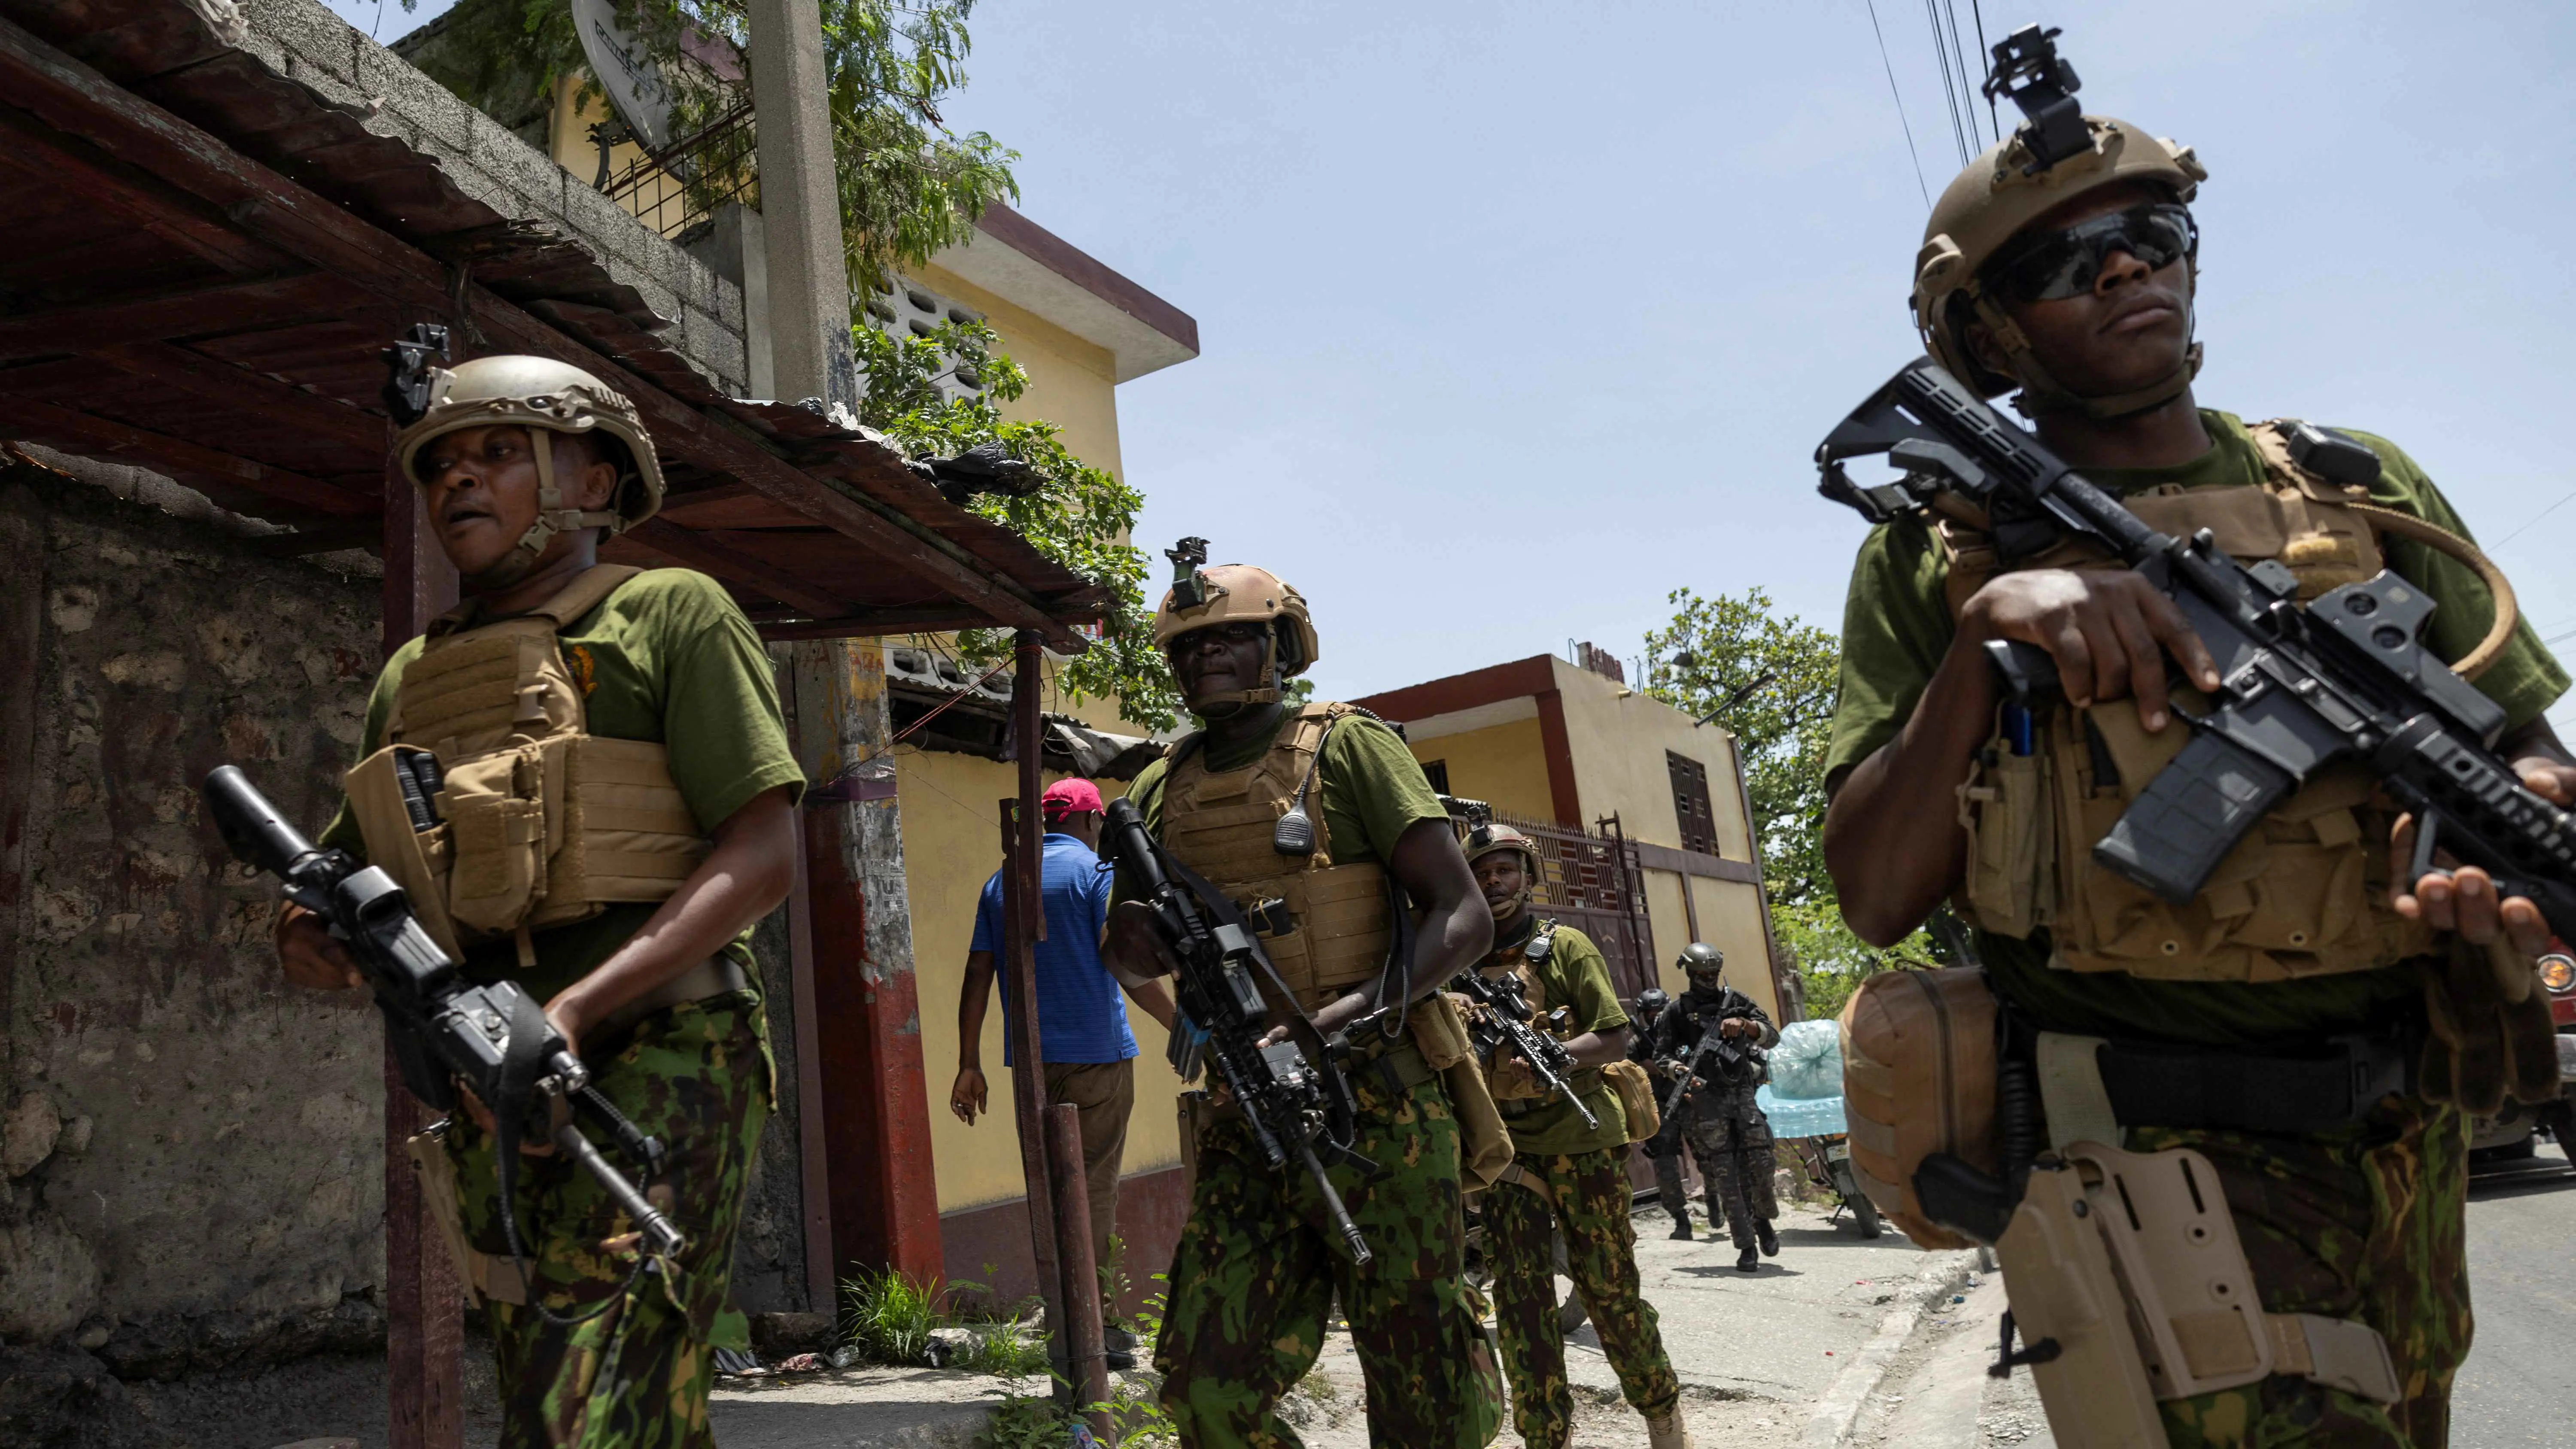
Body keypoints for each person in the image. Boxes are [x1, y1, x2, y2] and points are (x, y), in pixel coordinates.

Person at [1822, 70, 2573, 1446]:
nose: (2122, 270)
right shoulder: (1940, 553)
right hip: (2149, 1167)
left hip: (2404, 1145)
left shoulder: (2356, 485)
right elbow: (1872, 890)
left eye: (2150, 238)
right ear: (1984, 329)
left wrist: (2505, 838)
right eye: (2062, 259)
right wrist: (1986, 638)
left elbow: (2523, 749)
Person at [275, 355, 806, 1447]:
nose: (458, 483)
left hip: (662, 1056)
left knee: (587, 1409)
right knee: (568, 1395)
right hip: (495, 1082)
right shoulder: (413, 676)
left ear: (597, 484)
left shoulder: (670, 613)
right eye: (443, 467)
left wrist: (575, 1008)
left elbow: (762, 854)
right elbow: (352, 867)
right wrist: (308, 934)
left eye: (500, 453)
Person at [1101, 549, 1504, 1449]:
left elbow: (1463, 914)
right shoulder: (1163, 785)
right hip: (1249, 1113)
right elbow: (1125, 941)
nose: (1206, 658)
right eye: (1190, 647)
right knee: (1204, 1387)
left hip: (1384, 1102)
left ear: (1280, 645)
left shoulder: (1350, 746)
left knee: (1423, 1391)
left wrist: (1351, 1014)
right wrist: (1131, 935)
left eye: (1232, 639)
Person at [1464, 824, 1691, 1449]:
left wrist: (1555, 1055)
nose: (1494, 881)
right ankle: (1545, 1437)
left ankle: (1662, 1415)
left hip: (1582, 1144)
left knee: (1610, 1289)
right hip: (1508, 1157)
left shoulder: (1565, 946)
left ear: (1527, 876)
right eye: (1482, 872)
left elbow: (1614, 1035)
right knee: (1520, 1308)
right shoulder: (1457, 966)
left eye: (1505, 869)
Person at [950, 776, 1176, 1368]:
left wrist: (968, 1062)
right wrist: (1179, 1025)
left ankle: (1064, 1313)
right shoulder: (1097, 878)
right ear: (1092, 820)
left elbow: (978, 973)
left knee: (1050, 1186)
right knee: (1093, 1187)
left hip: (1030, 1065)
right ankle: (1093, 1322)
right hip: (1098, 1057)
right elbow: (1125, 963)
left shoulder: (1002, 883)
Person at [1649, 945, 1779, 1274]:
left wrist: (1746, 1026)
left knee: (1762, 1162)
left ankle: (1762, 1219)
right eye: (1701, 975)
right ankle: (1746, 1246)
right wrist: (1679, 1070)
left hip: (1742, 1094)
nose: (1708, 980)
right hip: (1707, 1102)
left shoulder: (1737, 1001)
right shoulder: (1676, 1012)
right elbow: (1662, 1054)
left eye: (1712, 974)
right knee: (1726, 1177)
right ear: (1690, 974)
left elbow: (1772, 1036)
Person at [1628, 987, 1701, 1242]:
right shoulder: (1638, 1043)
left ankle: (1715, 1201)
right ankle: (1681, 1220)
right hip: (1661, 1108)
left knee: (1708, 1155)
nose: (1655, 1017)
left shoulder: (1681, 1037)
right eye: (1650, 1013)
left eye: (1660, 1011)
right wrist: (1645, 1067)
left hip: (1689, 1103)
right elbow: (1626, 1068)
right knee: (1665, 1163)